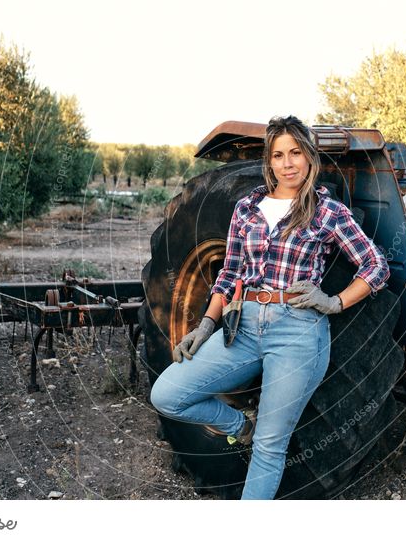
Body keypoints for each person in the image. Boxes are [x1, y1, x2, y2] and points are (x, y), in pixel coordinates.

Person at [150, 115, 390, 499]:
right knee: (167, 395)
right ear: (269, 160)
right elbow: (230, 272)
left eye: (296, 152)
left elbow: (376, 265)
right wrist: (207, 324)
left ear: (309, 157)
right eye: (278, 154)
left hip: (298, 333)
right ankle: (239, 425)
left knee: (269, 447)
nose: (287, 163)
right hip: (243, 329)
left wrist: (334, 301)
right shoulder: (247, 207)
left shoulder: (329, 212)